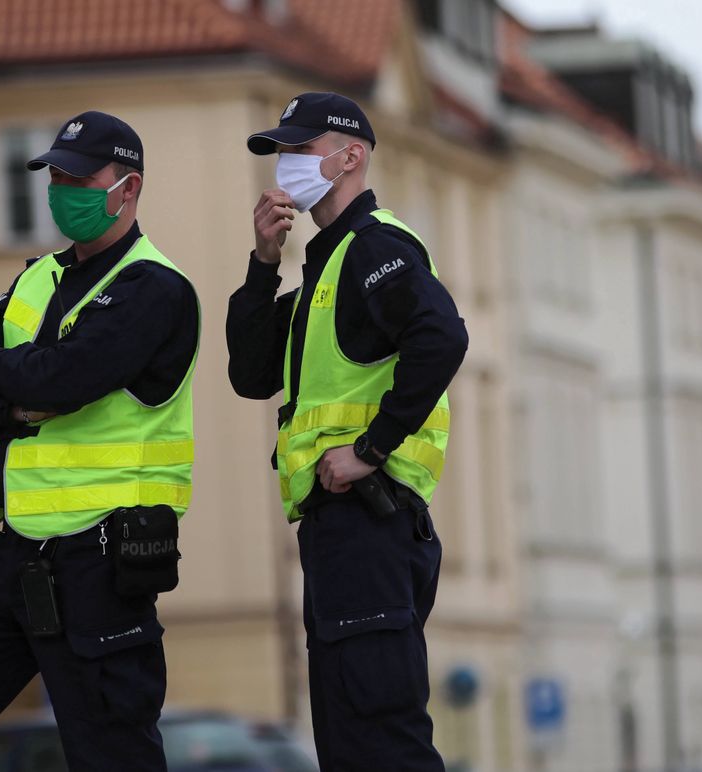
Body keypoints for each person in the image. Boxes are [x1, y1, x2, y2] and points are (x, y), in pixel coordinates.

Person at [0, 110, 199, 772]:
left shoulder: (154, 287)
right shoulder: (33, 280)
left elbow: (65, 378)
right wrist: (24, 393)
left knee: (111, 750)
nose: (63, 188)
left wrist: (21, 380)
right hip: (18, 555)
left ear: (128, 188)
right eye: (55, 174)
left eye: (81, 177)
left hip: (105, 555)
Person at [226, 92, 468, 771]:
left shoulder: (375, 248)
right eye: (281, 152)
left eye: (299, 149)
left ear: (350, 156)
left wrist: (369, 449)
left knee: (380, 734)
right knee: (347, 742)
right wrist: (262, 262)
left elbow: (442, 338)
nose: (284, 166)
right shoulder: (323, 269)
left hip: (372, 524)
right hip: (339, 533)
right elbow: (249, 373)